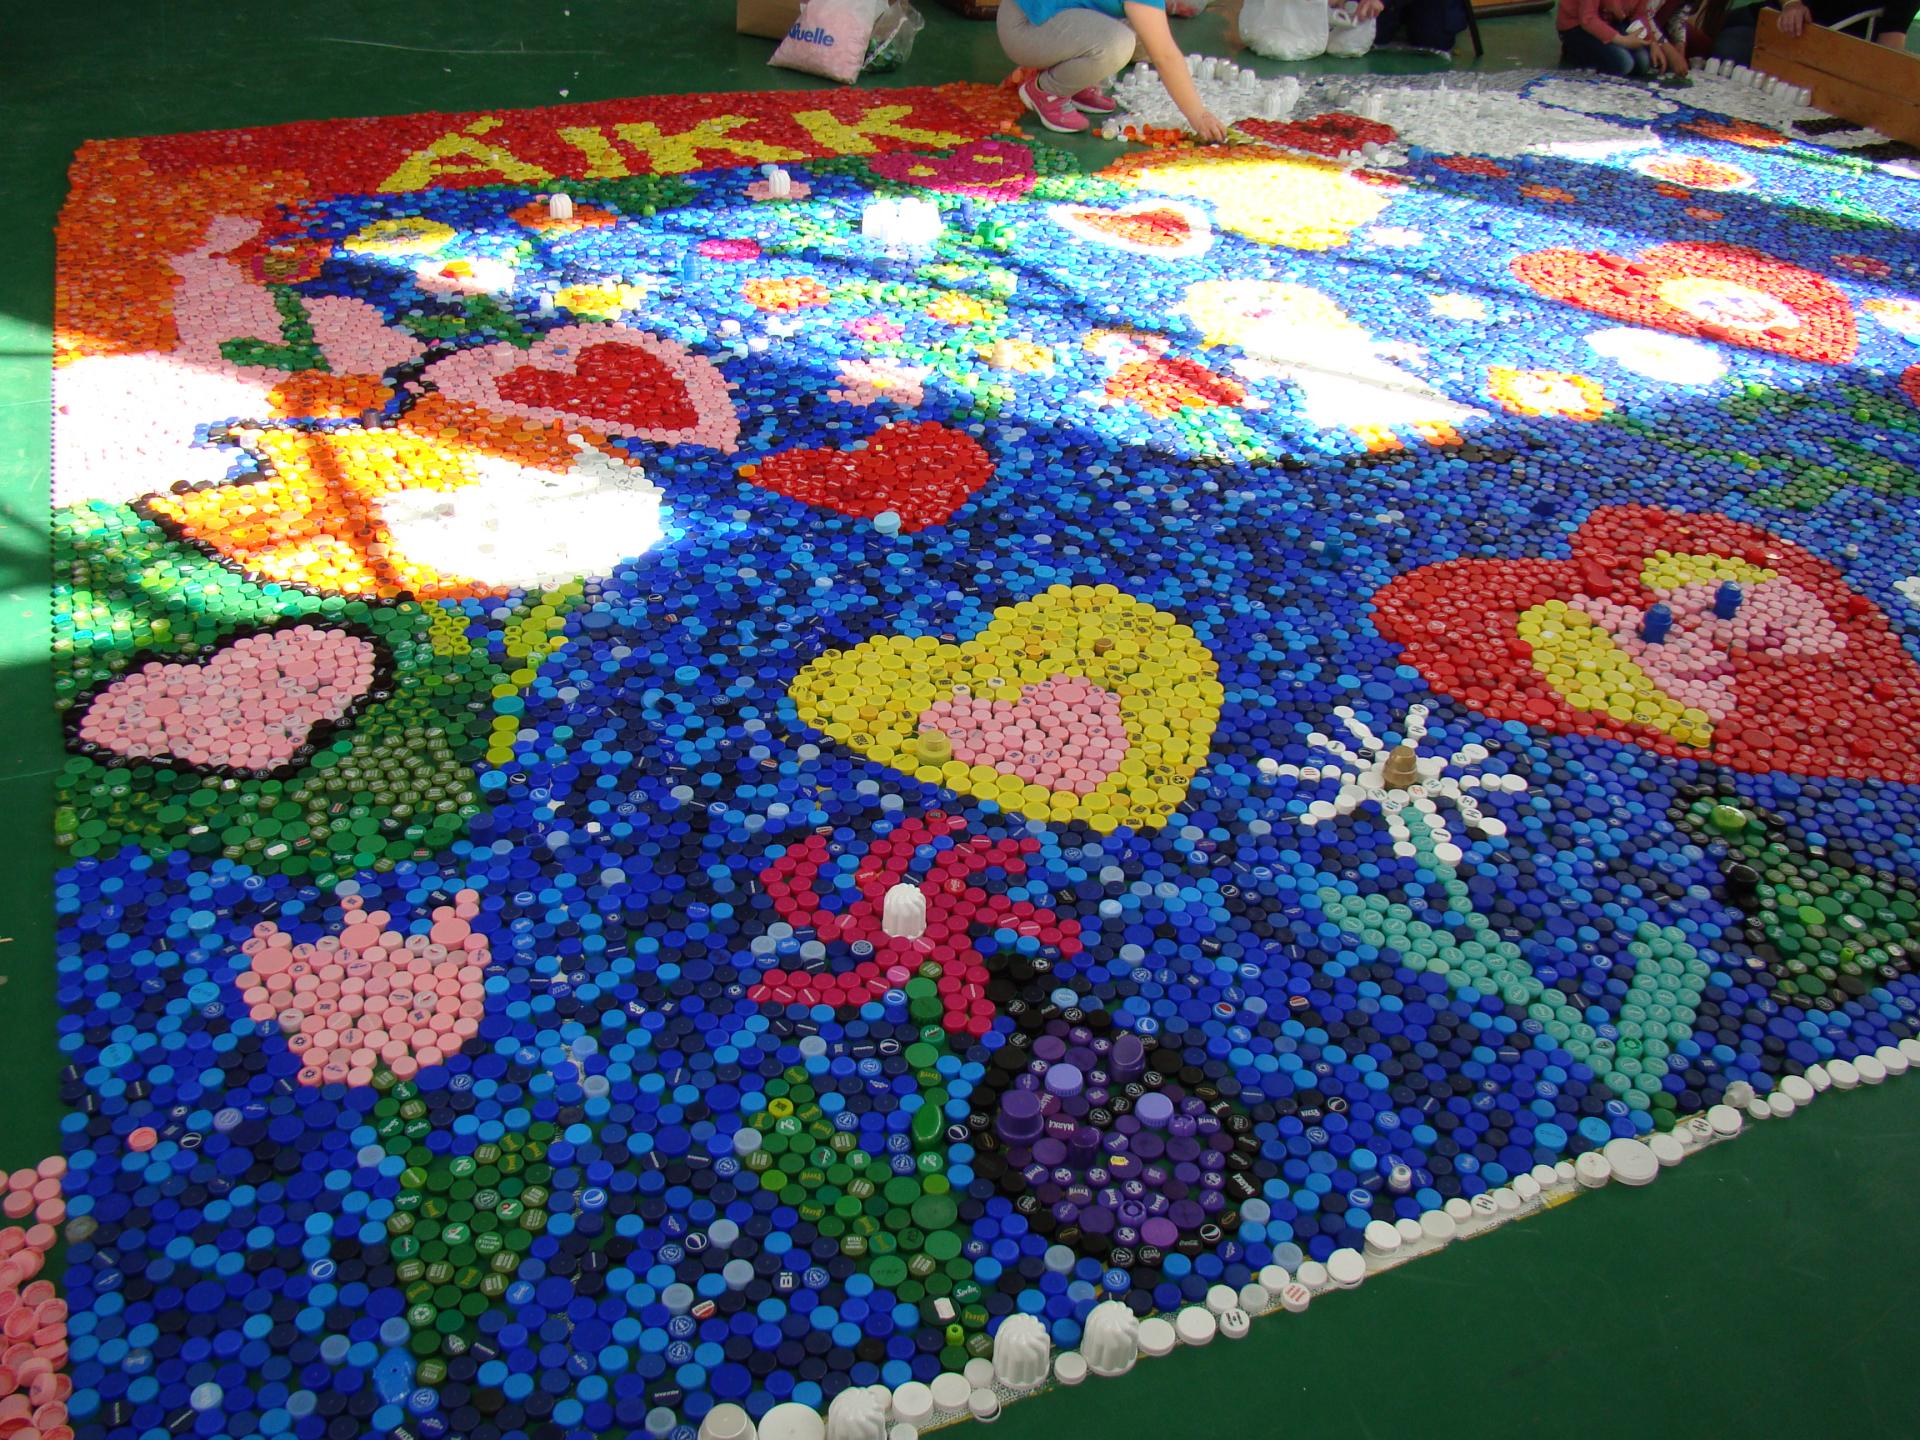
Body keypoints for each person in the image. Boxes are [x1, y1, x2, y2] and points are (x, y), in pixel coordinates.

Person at [997, 0, 1229, 138]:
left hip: (1038, 18)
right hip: (1024, 28)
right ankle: (1046, 90)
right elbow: (1165, 56)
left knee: (1141, 33)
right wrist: (1198, 115)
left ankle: (1072, 82)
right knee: (1119, 44)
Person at [1710, 0, 1913, 63]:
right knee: (1717, 27)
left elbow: (1890, 48)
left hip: (1822, 55)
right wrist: (1792, 4)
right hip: (1771, 19)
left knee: (1729, 48)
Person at [1558, 0, 1691, 72]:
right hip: (1576, 26)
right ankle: (1575, 53)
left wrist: (1652, 43)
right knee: (1624, 63)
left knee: (1643, 63)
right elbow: (1587, 19)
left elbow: (1639, 14)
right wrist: (1623, 40)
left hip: (1609, 22)